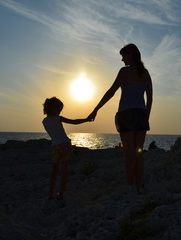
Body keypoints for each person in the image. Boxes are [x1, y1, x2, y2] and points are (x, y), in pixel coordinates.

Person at [88, 43, 153, 194]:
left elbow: (110, 92)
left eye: (123, 56)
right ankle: (139, 187)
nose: (122, 60)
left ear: (131, 55)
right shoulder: (146, 73)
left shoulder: (124, 72)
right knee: (138, 153)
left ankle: (129, 186)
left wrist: (95, 109)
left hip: (126, 115)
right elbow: (150, 99)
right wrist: (146, 117)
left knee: (129, 154)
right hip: (141, 115)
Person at [42, 97, 91, 200]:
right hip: (64, 145)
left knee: (54, 171)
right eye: (59, 109)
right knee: (64, 170)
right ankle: (61, 194)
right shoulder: (58, 118)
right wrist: (86, 119)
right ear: (54, 109)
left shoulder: (44, 121)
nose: (60, 111)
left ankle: (50, 194)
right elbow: (74, 122)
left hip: (54, 146)